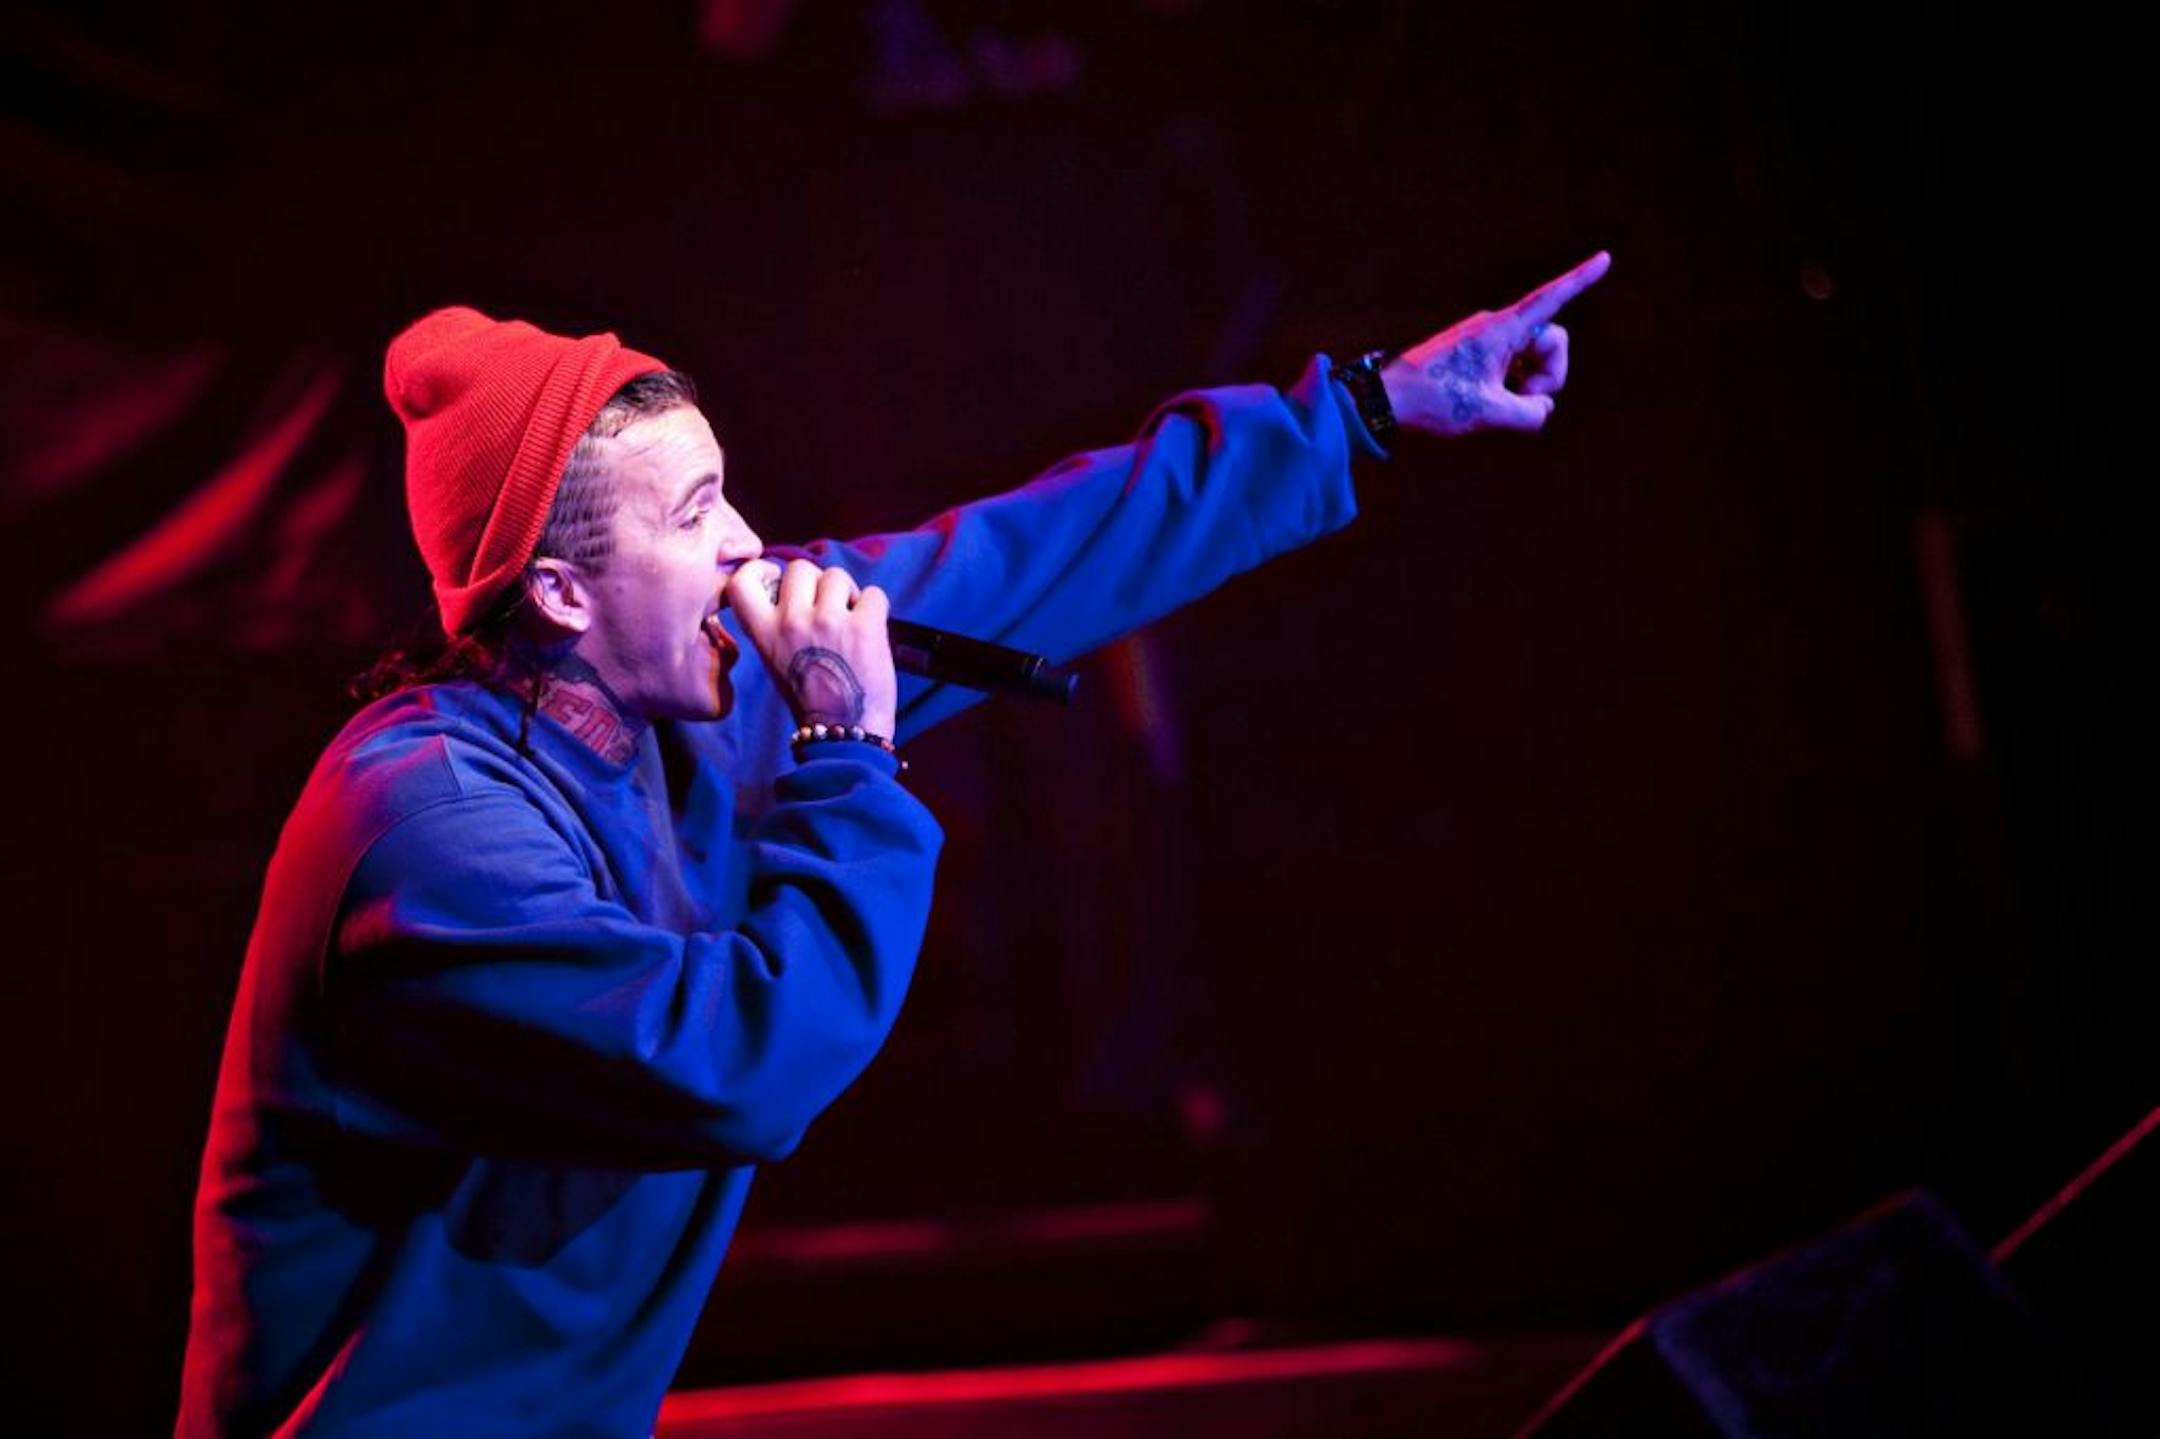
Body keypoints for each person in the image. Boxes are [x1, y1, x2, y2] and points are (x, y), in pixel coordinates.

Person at [177, 252, 1611, 1436]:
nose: (753, 549)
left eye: (727, 487)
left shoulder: (697, 691)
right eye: (695, 516)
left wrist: (1369, 408)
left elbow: (1031, 557)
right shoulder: (424, 822)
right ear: (559, 593)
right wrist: (849, 757)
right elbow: (730, 1063)